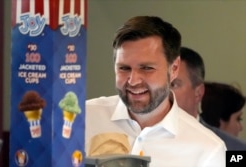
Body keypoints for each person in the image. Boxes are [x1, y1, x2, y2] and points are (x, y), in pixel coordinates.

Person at [86, 16, 226, 167]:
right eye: (124, 68)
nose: (133, 81)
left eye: (147, 68)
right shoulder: (81, 118)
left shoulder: (208, 150)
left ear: (174, 69)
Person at [171, 46, 246, 150]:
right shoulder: (142, 141)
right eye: (158, 85)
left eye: (173, 85)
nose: (161, 93)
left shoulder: (233, 149)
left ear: (198, 93)